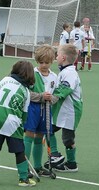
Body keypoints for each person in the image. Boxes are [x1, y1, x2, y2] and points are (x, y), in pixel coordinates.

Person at [0, 60, 36, 187]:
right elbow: (24, 114)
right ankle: (23, 179)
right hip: (13, 122)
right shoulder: (25, 91)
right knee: (19, 151)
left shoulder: (4, 80)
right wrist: (22, 127)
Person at [23, 45, 63, 178]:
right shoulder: (32, 74)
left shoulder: (54, 76)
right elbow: (26, 92)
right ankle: (24, 166)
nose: (44, 65)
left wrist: (52, 99)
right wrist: (40, 96)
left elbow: (57, 93)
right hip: (33, 108)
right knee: (29, 135)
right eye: (41, 62)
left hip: (46, 109)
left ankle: (38, 166)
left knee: (40, 137)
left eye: (47, 62)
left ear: (52, 61)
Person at [45, 44, 83, 172]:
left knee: (67, 138)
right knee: (48, 128)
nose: (56, 57)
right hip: (62, 109)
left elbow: (65, 89)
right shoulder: (64, 72)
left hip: (70, 111)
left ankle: (71, 163)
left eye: (57, 55)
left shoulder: (70, 73)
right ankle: (55, 155)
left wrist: (52, 98)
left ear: (63, 57)